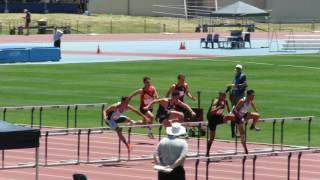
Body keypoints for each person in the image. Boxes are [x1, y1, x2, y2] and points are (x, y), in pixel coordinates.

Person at [224, 89, 261, 154]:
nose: (253, 97)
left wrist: (256, 110)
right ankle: (245, 149)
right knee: (242, 134)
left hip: (245, 114)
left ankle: (252, 127)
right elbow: (235, 110)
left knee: (257, 115)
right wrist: (240, 118)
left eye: (254, 96)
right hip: (238, 116)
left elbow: (253, 104)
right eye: (252, 95)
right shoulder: (242, 101)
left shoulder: (250, 100)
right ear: (248, 95)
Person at [226, 64, 247, 138]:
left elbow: (244, 85)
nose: (237, 70)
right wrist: (227, 91)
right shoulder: (235, 76)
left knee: (238, 114)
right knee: (233, 114)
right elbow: (232, 86)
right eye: (236, 69)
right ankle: (233, 132)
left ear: (240, 70)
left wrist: (235, 86)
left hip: (239, 97)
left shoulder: (243, 76)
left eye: (238, 69)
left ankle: (239, 132)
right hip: (234, 96)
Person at [206, 91, 230, 156]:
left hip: (218, 117)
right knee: (212, 137)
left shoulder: (225, 101)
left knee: (229, 117)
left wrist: (229, 111)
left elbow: (229, 111)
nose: (224, 98)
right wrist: (219, 107)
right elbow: (212, 112)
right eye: (223, 96)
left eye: (225, 96)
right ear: (219, 96)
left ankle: (233, 132)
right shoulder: (216, 101)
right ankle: (207, 152)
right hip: (212, 118)